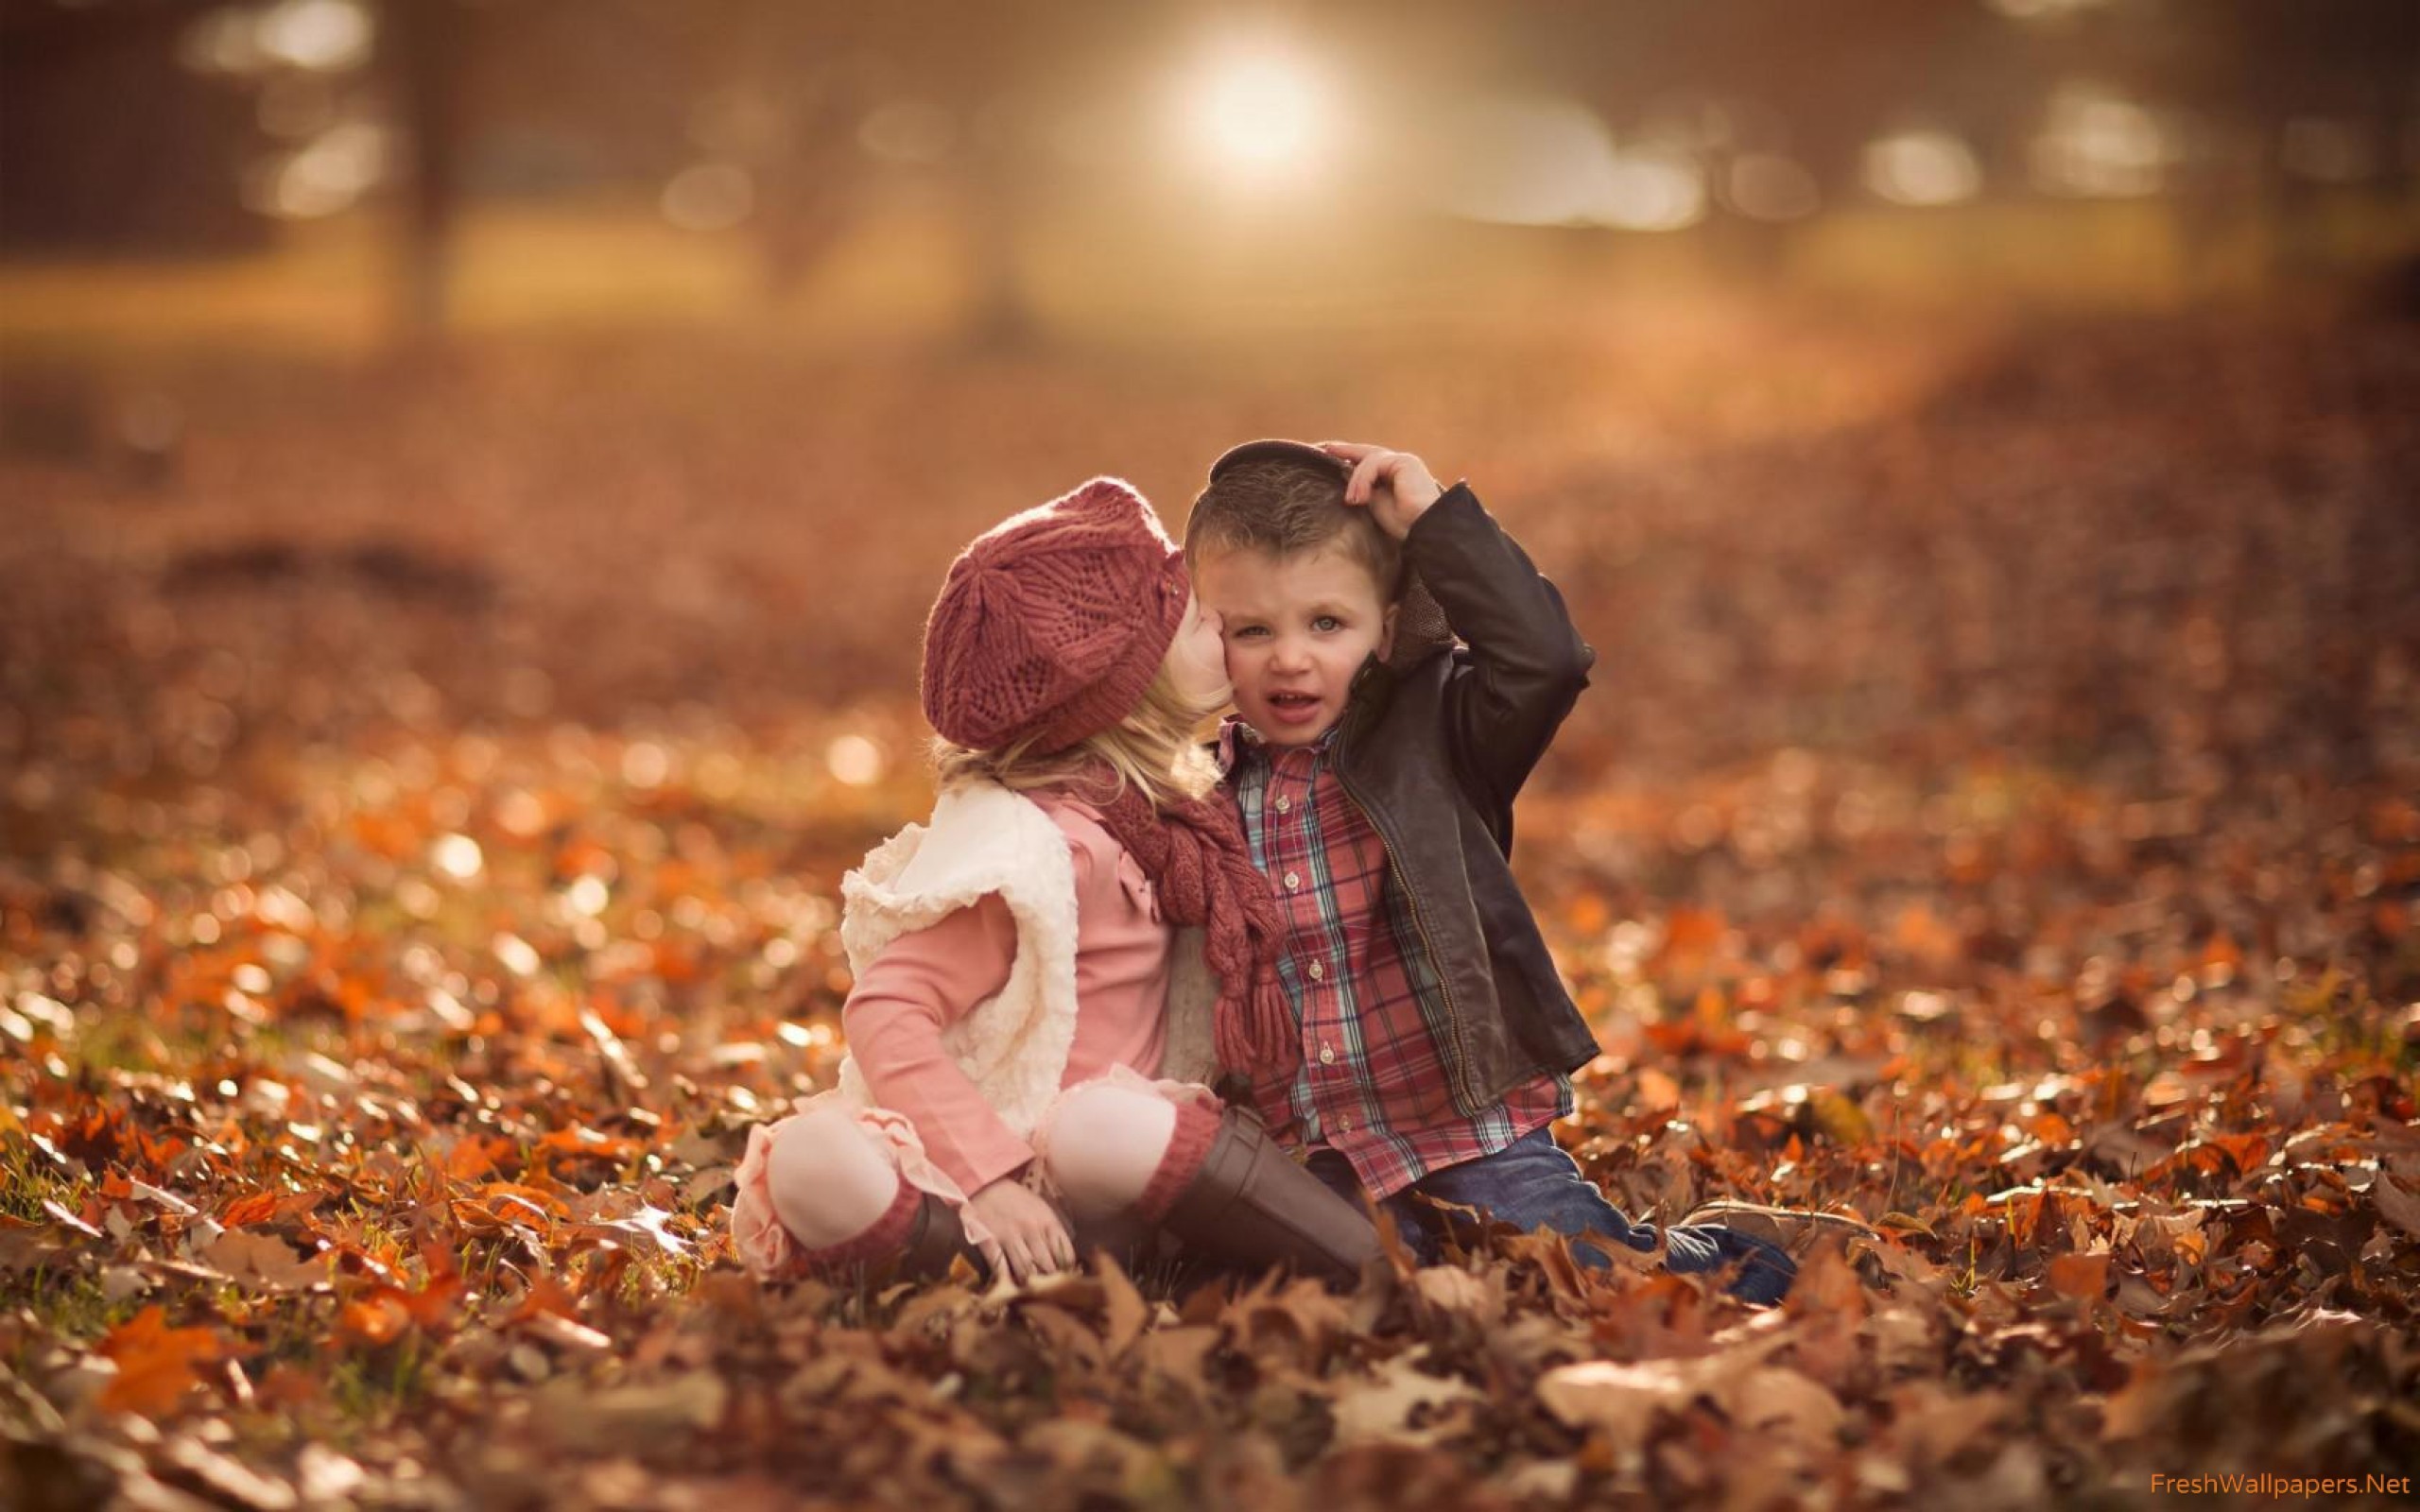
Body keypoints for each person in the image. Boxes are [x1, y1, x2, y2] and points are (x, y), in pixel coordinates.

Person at [1185, 438, 1806, 1304]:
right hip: (1317, 1153)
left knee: (1585, 1276)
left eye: (1328, 623)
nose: (1291, 658)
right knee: (1341, 1290)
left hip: (1470, 1132)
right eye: (1254, 630)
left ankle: (1739, 1257)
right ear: (1207, 637)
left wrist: (1436, 521)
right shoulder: (1196, 788)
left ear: (1388, 625)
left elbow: (1546, 659)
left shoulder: (1439, 732)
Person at [728, 476, 1378, 1287]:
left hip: (1114, 1166)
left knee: (1100, 1127)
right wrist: (992, 1181)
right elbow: (888, 1011)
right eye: (1193, 616)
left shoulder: (1172, 819)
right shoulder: (1039, 851)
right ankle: (979, 1259)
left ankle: (1363, 1264)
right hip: (993, 1159)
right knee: (814, 1158)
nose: (1220, 619)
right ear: (1125, 689)